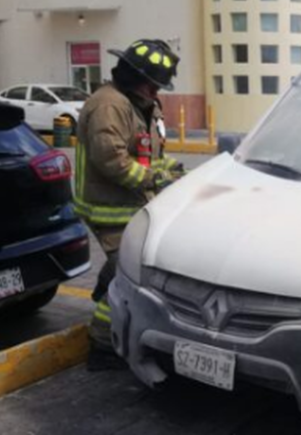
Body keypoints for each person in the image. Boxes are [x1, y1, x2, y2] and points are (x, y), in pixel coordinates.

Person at [74, 39, 182, 370]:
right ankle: (102, 346)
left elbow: (148, 156)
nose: (156, 91)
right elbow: (113, 162)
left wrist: (172, 172)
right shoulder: (109, 105)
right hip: (106, 207)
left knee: (128, 264)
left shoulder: (141, 103)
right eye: (153, 85)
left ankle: (108, 279)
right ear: (137, 79)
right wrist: (155, 181)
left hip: (131, 205)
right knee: (126, 275)